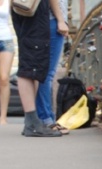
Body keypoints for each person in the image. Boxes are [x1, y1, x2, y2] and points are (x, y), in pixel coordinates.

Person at [12, 0, 67, 137]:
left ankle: (35, 121)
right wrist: (60, 19)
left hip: (31, 16)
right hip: (41, 18)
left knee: (32, 68)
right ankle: (42, 120)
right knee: (35, 69)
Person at [35, 0, 69, 133]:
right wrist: (60, 20)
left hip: (48, 21)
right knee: (47, 73)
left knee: (45, 73)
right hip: (52, 21)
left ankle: (46, 118)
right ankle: (46, 119)